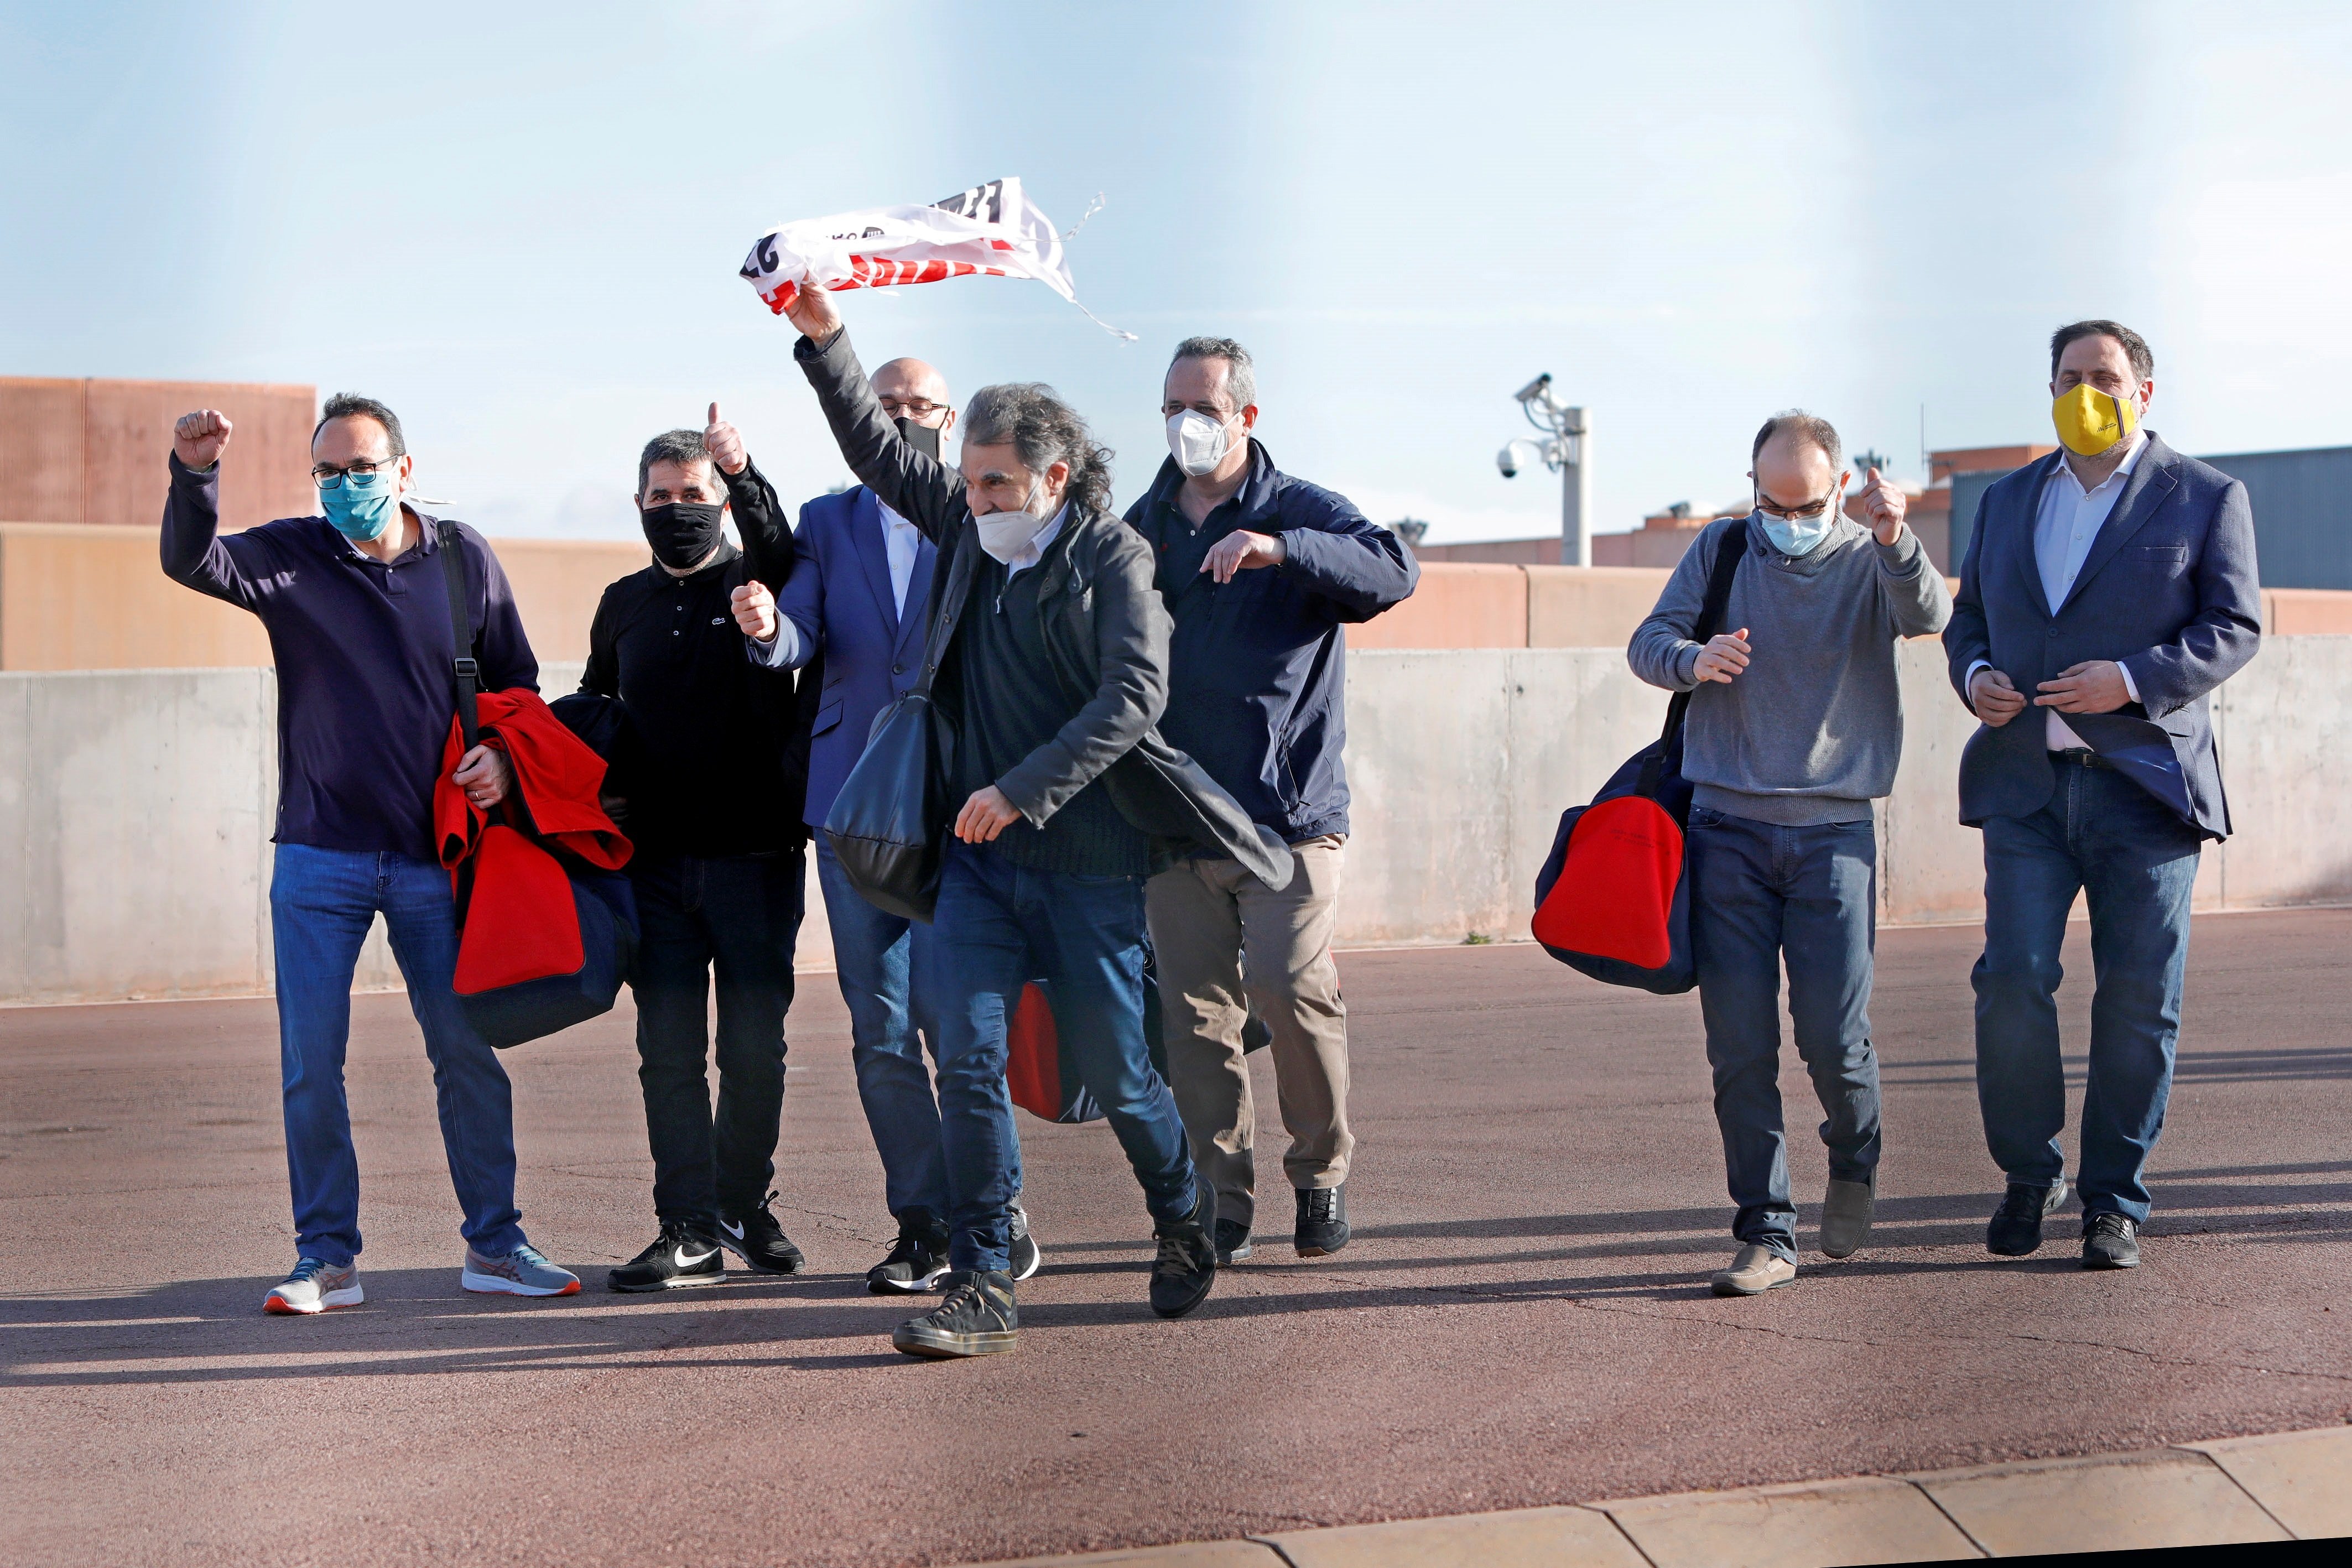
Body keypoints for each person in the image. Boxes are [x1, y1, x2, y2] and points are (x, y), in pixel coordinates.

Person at [772, 280, 1293, 1359]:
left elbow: (1131, 699)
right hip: (973, 864)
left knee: (1119, 1070)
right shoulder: (967, 529)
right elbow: (877, 451)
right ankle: (982, 1279)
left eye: (996, 481)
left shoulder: (1112, 557)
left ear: (1053, 478)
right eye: (965, 482)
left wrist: (1023, 787)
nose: (974, 499)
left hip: (1087, 860)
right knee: (964, 1060)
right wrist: (823, 335)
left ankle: (1179, 1214)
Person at [161, 395, 580, 1314]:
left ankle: (497, 1246)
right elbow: (192, 560)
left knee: (466, 1055)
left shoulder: (464, 558)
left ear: (404, 468)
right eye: (329, 473)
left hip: (439, 857)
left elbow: (518, 682)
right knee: (312, 1062)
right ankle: (327, 1259)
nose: (345, 487)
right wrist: (195, 477)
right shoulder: (291, 556)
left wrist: (504, 760)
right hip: (319, 858)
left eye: (361, 468)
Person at [1947, 320, 2261, 1270]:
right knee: (2010, 983)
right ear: (2052, 388)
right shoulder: (2007, 500)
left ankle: (2113, 1200)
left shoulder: (2206, 496)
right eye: (2072, 376)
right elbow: (1967, 621)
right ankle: (2027, 1173)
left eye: (2107, 377)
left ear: (2145, 392)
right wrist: (1976, 677)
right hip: (2027, 787)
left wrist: (2130, 679)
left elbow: (2235, 626)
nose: (2089, 391)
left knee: (2138, 1001)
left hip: (2145, 789)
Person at [732, 358, 1045, 1294]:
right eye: (889, 403)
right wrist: (763, 629)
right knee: (878, 1030)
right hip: (853, 806)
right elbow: (801, 634)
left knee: (958, 1023)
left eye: (919, 406)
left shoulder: (985, 515)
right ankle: (924, 1222)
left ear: (948, 421)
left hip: (960, 809)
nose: (903, 417)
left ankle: (995, 1214)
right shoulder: (830, 521)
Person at [1629, 411, 1950, 1296]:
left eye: (1806, 503)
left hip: (1834, 834)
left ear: (1840, 488)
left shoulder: (1868, 556)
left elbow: (1929, 615)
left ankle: (1855, 1156)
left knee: (1833, 1038)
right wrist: (1695, 659)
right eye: (1771, 500)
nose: (1787, 517)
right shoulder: (1725, 548)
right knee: (1739, 1047)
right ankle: (1766, 1231)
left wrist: (1895, 535)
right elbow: (1647, 645)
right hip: (1724, 829)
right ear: (1754, 486)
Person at [1123, 336, 1418, 1264]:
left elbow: (1392, 571)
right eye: (1173, 406)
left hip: (1287, 818)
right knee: (1195, 1015)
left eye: (1203, 407)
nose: (1186, 424)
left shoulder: (1301, 510)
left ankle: (1321, 1173)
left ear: (1246, 416)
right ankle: (1224, 1196)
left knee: (1290, 987)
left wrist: (1282, 551)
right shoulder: (1146, 522)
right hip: (1175, 816)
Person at [582, 408, 813, 1291]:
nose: (677, 507)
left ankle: (744, 1205)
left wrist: (744, 471)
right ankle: (685, 1226)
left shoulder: (762, 584)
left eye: (694, 494)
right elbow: (596, 699)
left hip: (756, 863)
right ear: (638, 504)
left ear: (718, 503)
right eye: (661, 495)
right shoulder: (623, 603)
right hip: (654, 867)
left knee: (756, 1049)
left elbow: (774, 540)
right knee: (670, 1052)